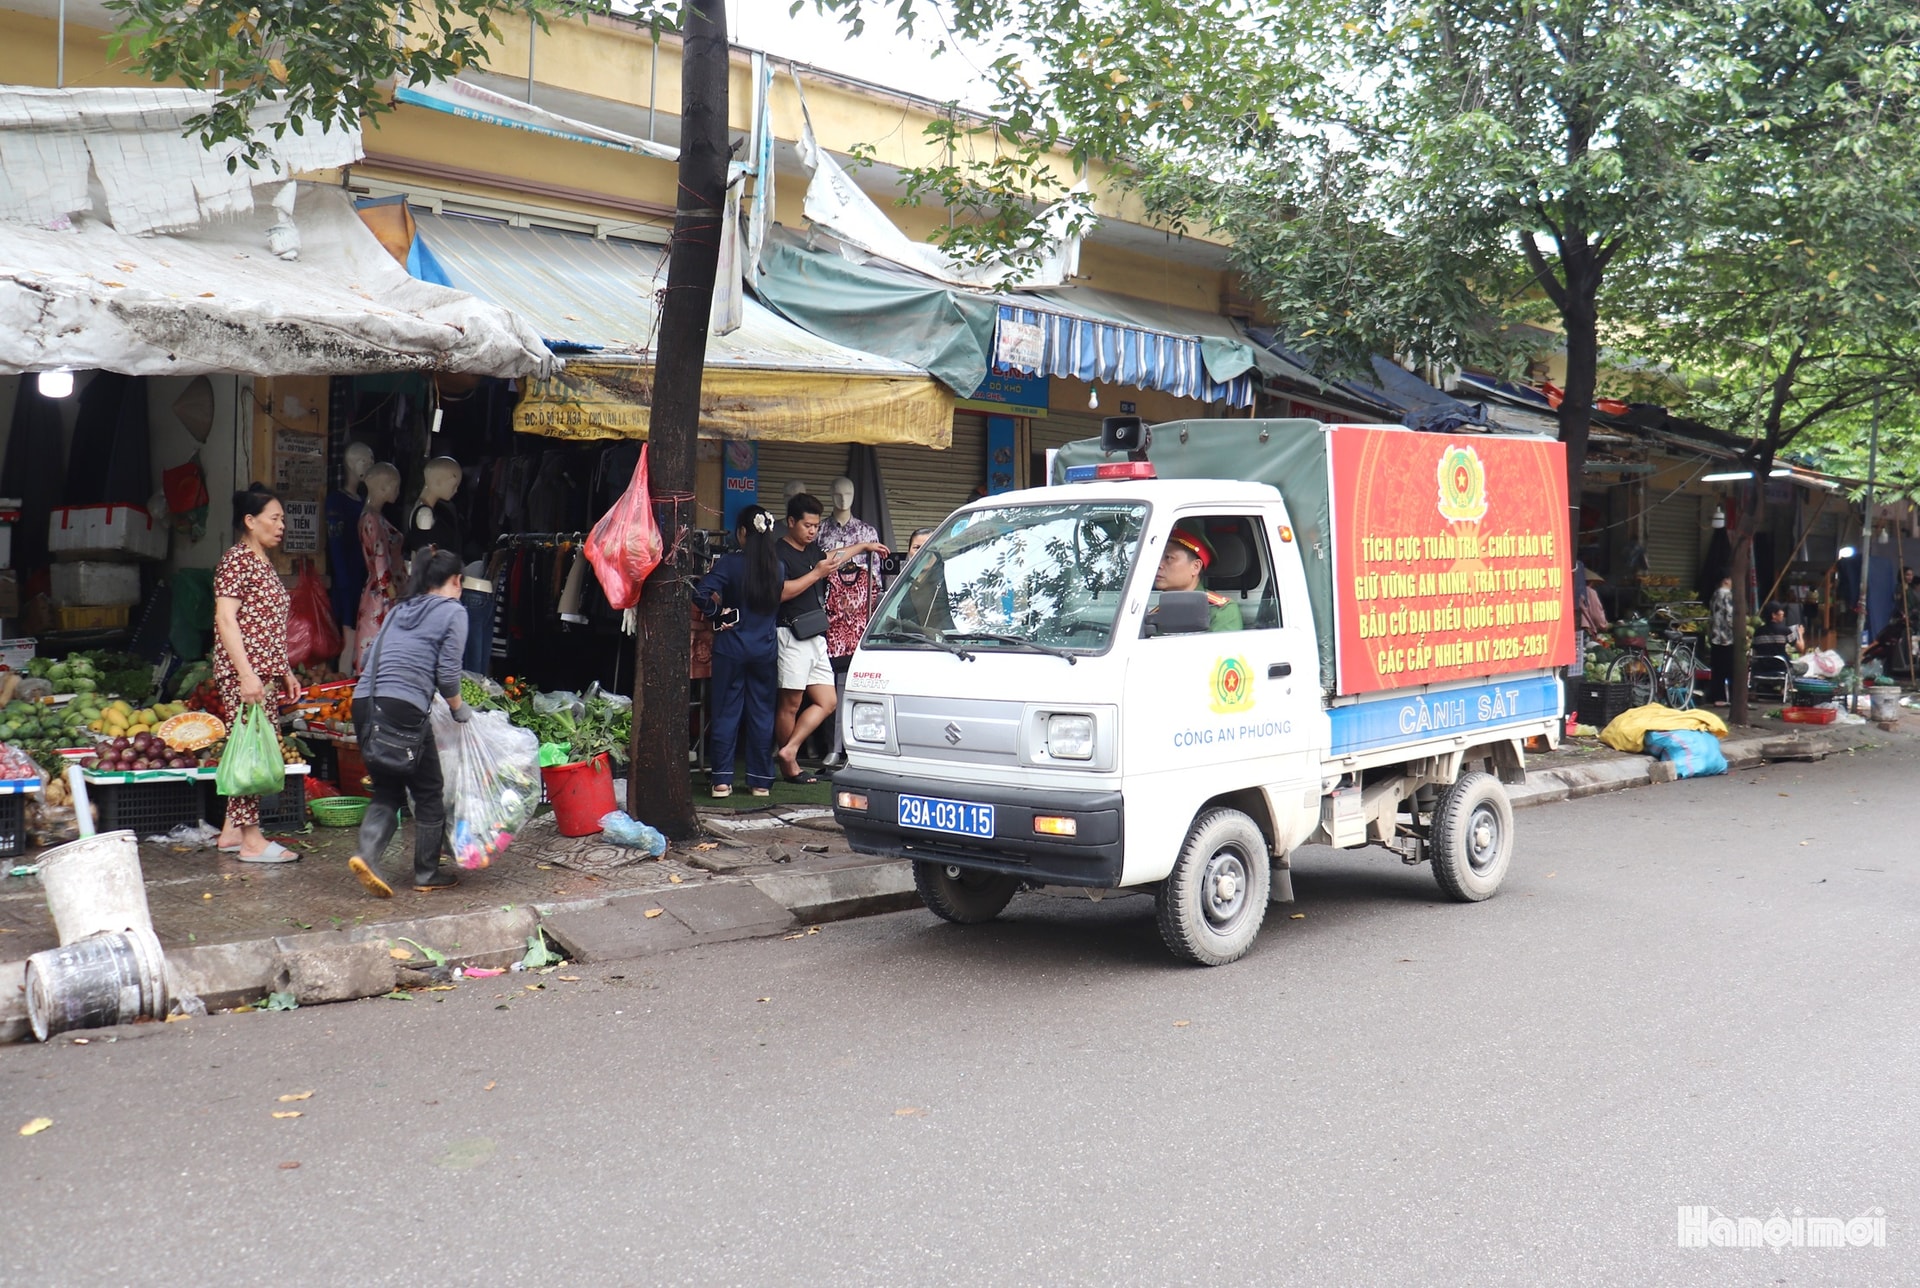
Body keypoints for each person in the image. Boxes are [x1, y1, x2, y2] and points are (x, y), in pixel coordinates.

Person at [347, 549, 472, 898]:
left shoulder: (399, 609)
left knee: (388, 787)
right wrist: (460, 709)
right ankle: (427, 872)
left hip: (365, 703)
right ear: (456, 581)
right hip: (403, 708)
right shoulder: (453, 612)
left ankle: (366, 856)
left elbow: (372, 656)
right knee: (429, 788)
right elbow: (447, 675)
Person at [213, 485, 305, 862]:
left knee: (247, 743)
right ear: (250, 522)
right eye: (274, 518)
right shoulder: (236, 561)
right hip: (244, 674)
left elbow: (265, 624)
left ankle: (231, 832)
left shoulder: (262, 561)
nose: (281, 525)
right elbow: (226, 620)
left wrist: (283, 670)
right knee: (253, 750)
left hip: (262, 672)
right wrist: (247, 675)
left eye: (282, 518)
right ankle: (252, 841)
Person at [773, 492, 886, 784]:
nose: (812, 531)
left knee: (828, 701)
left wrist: (862, 546)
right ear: (791, 522)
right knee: (791, 703)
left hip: (815, 635)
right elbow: (781, 592)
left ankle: (789, 749)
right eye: (807, 525)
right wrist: (816, 574)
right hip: (789, 632)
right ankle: (790, 765)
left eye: (814, 526)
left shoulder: (813, 551)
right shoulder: (779, 553)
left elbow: (833, 558)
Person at [695, 506, 781, 798]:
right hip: (765, 649)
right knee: (762, 713)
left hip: (731, 648)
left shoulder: (730, 564)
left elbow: (700, 593)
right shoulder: (778, 567)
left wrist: (718, 615)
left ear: (743, 532)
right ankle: (760, 782)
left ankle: (721, 780)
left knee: (726, 711)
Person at [1150, 523, 1241, 632]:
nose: (1159, 564)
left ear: (1195, 567)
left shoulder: (1221, 611)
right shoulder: (1156, 614)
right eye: (1159, 558)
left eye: (1168, 557)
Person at [1707, 575, 1736, 706]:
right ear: (1726, 580)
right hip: (1727, 637)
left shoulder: (1715, 594)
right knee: (1730, 669)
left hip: (1715, 636)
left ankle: (1718, 697)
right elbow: (1730, 616)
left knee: (1717, 669)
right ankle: (1733, 698)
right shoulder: (1727, 595)